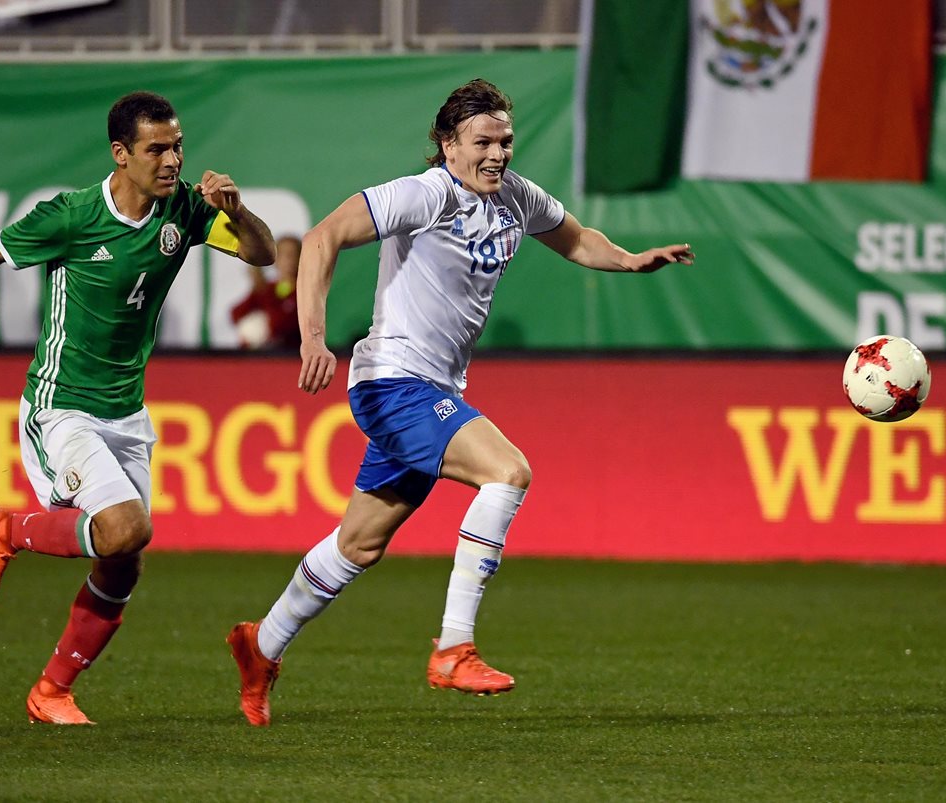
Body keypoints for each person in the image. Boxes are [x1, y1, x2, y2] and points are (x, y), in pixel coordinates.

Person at [226, 78, 694, 726]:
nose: (497, 154)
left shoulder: (515, 198)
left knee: (359, 543)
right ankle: (452, 646)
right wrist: (310, 335)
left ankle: (262, 643)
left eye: (505, 140)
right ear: (448, 144)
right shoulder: (425, 193)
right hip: (393, 382)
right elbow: (323, 236)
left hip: (432, 388)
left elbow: (578, 238)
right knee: (508, 471)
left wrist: (633, 261)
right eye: (483, 142)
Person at [0, 91, 276, 725]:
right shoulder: (72, 216)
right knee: (125, 529)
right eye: (156, 149)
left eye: (177, 146)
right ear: (121, 154)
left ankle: (52, 692)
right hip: (61, 406)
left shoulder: (188, 211)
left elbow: (263, 253)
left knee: (123, 562)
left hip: (126, 413)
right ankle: (4, 529)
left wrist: (237, 209)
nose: (172, 160)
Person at [230, 234, 302, 350]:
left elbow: (283, 324)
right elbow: (236, 314)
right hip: (264, 357)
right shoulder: (267, 288)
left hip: (291, 355)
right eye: (284, 255)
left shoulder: (304, 290)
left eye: (293, 254)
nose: (289, 260)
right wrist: (256, 288)